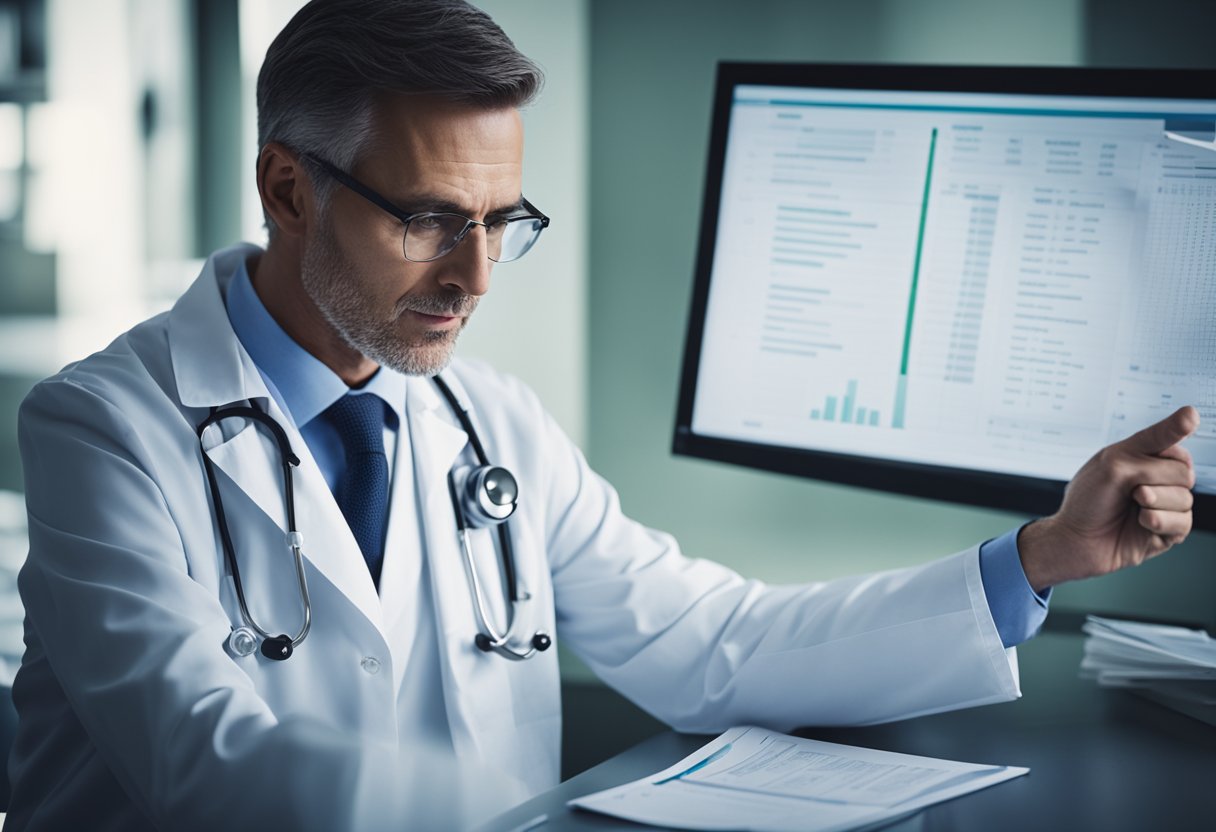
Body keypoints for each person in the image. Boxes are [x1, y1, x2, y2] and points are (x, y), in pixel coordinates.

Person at [9, 1, 1199, 830]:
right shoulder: (105, 430)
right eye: (430, 219)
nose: (475, 279)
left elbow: (707, 642)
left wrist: (1036, 559)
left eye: (501, 222)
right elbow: (202, 763)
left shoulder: (488, 424)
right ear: (287, 191)